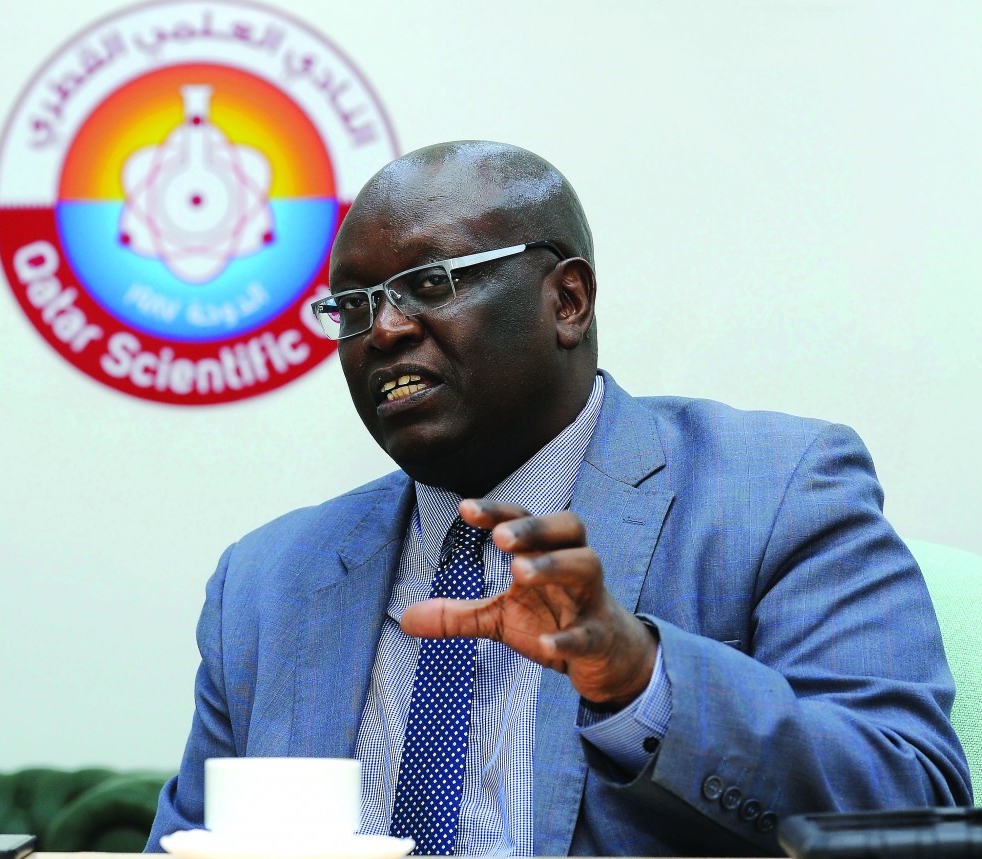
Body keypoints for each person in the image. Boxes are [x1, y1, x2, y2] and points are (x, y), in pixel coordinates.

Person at [146, 141, 972, 856]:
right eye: (354, 306)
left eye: (429, 284)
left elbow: (914, 798)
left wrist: (640, 674)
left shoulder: (778, 490)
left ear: (567, 301)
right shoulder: (266, 582)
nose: (384, 331)